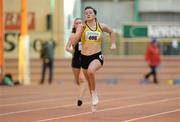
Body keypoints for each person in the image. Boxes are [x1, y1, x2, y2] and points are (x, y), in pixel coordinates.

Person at [71, 6, 116, 112]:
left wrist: (113, 43)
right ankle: (93, 101)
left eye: (90, 12)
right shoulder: (82, 27)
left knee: (91, 71)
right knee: (89, 81)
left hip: (97, 56)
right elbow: (74, 43)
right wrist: (79, 31)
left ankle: (94, 93)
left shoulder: (101, 26)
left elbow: (111, 32)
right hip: (84, 58)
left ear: (95, 14)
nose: (88, 14)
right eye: (86, 13)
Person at [66, 18, 86, 106]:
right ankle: (83, 89)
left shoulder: (85, 34)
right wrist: (72, 51)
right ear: (74, 25)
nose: (78, 24)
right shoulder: (73, 35)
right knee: (78, 81)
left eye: (80, 23)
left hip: (85, 58)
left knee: (82, 79)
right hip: (75, 59)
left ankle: (80, 98)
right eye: (76, 23)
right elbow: (67, 47)